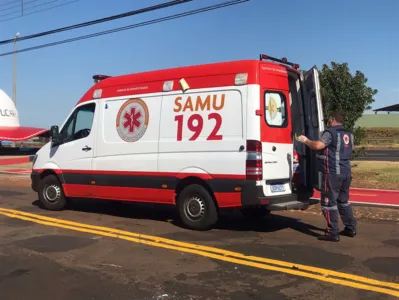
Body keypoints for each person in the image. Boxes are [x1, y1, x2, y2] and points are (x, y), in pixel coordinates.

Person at [296, 111, 357, 242]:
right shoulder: (349, 134)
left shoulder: (330, 133)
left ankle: (333, 233)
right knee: (344, 201)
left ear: (333, 119)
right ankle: (350, 228)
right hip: (346, 173)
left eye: (329, 119)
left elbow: (318, 145)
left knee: (328, 203)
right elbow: (351, 149)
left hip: (333, 174)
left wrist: (305, 140)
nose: (328, 121)